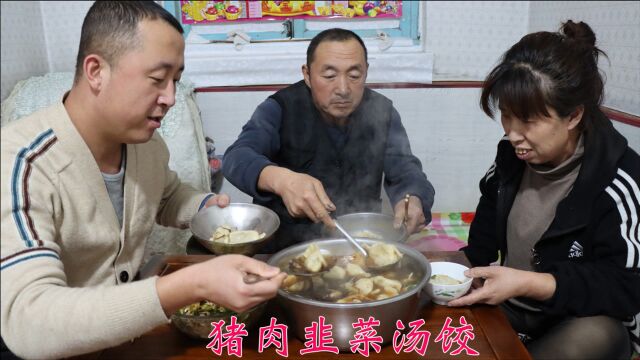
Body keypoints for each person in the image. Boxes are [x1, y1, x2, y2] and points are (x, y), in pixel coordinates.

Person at [0, 2, 285, 359]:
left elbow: (163, 195)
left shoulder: (145, 145)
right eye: (157, 79)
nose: (169, 98)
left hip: (124, 340)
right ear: (96, 71)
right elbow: (29, 320)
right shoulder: (20, 163)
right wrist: (191, 284)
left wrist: (204, 207)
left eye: (176, 81)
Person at [450, 20, 640, 359]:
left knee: (595, 337)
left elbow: (626, 287)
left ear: (573, 116)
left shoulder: (619, 178)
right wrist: (458, 273)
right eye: (507, 116)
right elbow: (480, 243)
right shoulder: (510, 158)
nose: (513, 134)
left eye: (529, 121)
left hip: (575, 321)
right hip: (509, 308)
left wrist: (527, 283)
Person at [223, 28, 435, 252]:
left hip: (358, 247)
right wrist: (283, 180)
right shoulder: (280, 108)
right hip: (285, 249)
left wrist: (414, 196)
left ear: (366, 72)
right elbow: (236, 157)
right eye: (329, 76)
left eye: (354, 75)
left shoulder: (382, 111)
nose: (343, 89)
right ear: (307, 74)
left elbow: (405, 169)